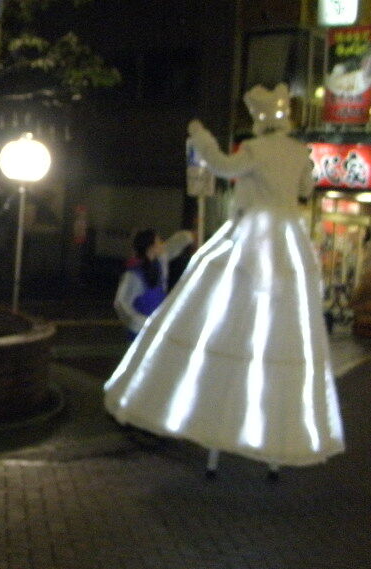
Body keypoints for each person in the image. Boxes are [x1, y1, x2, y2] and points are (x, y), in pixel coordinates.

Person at [104, 83, 345, 477]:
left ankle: (215, 434)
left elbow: (222, 167)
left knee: (222, 319)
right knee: (284, 333)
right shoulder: (299, 152)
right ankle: (276, 445)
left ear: (259, 118)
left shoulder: (255, 148)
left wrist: (201, 137)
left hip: (251, 237)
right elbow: (306, 187)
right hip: (288, 244)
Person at [113, 228, 194, 340]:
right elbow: (121, 304)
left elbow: (171, 248)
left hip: (155, 330)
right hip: (140, 333)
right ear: (151, 248)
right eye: (159, 242)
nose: (162, 244)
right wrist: (143, 324)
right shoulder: (134, 274)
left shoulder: (158, 265)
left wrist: (188, 236)